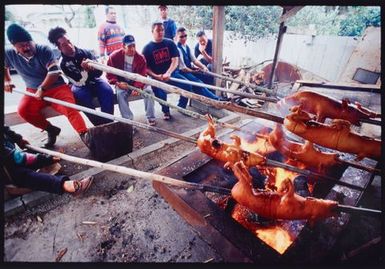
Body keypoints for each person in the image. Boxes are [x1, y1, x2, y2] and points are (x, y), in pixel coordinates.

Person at [4, 23, 91, 148]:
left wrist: (42, 88)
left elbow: (54, 72)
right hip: (32, 90)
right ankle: (51, 129)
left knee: (69, 108)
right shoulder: (9, 53)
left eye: (28, 43)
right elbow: (4, 66)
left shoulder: (44, 49)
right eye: (22, 46)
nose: (26, 47)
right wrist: (7, 81)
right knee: (24, 110)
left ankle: (85, 135)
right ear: (14, 46)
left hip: (57, 88)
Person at [48, 26, 114, 127]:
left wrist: (94, 67)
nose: (70, 46)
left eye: (69, 41)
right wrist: (85, 70)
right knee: (81, 97)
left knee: (107, 90)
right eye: (64, 45)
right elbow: (78, 82)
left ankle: (109, 123)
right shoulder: (62, 63)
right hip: (79, 85)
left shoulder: (86, 53)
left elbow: (99, 73)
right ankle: (99, 125)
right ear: (59, 48)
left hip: (94, 81)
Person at [2, 125, 93, 196]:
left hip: (9, 155)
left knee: (33, 153)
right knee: (22, 174)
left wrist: (18, 139)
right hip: (5, 169)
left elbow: (5, 129)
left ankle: (48, 167)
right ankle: (64, 185)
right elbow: (17, 158)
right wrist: (48, 160)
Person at [142, 21, 195, 120]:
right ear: (152, 32)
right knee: (160, 93)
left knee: (187, 85)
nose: (161, 32)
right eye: (158, 30)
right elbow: (145, 68)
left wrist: (169, 73)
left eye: (162, 30)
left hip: (171, 74)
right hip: (157, 78)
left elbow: (175, 60)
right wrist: (156, 76)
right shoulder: (147, 48)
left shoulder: (169, 43)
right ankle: (166, 111)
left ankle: (181, 107)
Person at [106, 34, 156, 126]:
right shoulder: (114, 57)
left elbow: (142, 75)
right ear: (123, 46)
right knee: (120, 94)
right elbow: (109, 74)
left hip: (137, 82)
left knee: (148, 91)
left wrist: (137, 87)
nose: (132, 49)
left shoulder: (140, 58)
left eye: (134, 46)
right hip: (122, 83)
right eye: (129, 47)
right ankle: (129, 122)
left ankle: (151, 117)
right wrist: (117, 83)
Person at [176, 27, 222, 100]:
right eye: (181, 37)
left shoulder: (186, 46)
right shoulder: (178, 48)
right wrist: (194, 70)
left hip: (190, 69)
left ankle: (209, 97)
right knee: (198, 83)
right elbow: (183, 68)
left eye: (185, 36)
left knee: (206, 76)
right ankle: (216, 99)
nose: (184, 38)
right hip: (183, 72)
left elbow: (194, 60)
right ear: (177, 37)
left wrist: (203, 67)